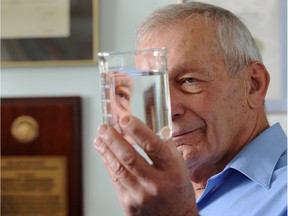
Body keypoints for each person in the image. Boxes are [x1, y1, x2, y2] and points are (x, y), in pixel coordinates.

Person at [94, 2, 287, 216]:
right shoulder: (158, 197)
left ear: (253, 84)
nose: (167, 110)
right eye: (153, 88)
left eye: (189, 81)